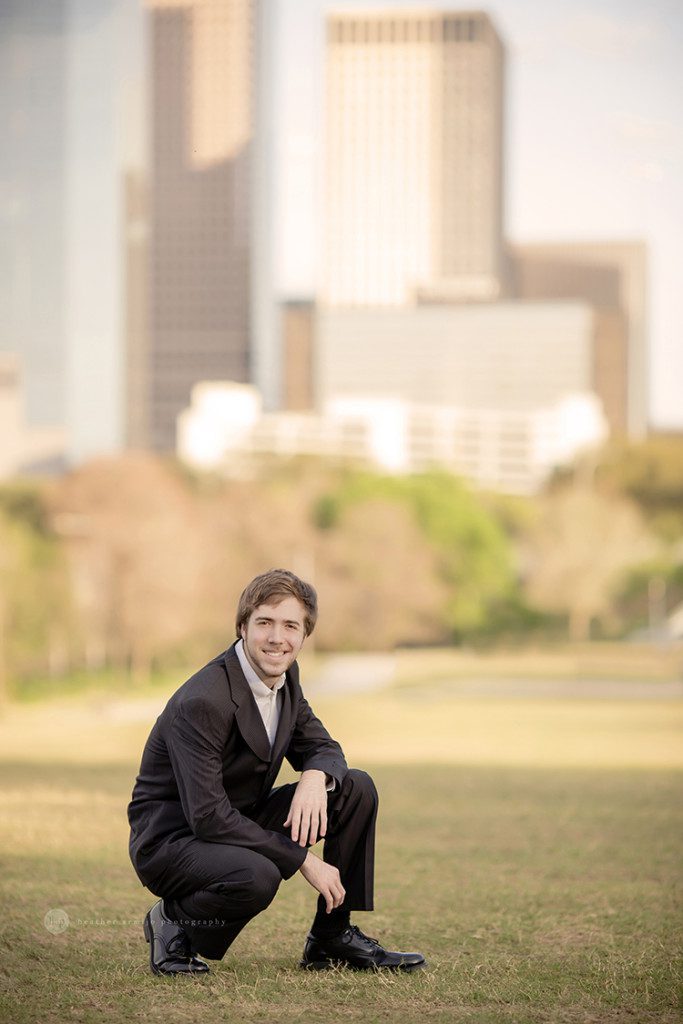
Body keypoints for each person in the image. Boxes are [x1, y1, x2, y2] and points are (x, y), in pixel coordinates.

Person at [127, 568, 425, 976]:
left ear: (304, 636)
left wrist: (314, 778)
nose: (276, 638)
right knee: (257, 875)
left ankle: (331, 937)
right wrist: (302, 858)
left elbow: (322, 747)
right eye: (264, 622)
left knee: (355, 787)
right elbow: (207, 815)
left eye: (290, 626)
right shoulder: (204, 700)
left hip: (237, 820)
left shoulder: (285, 676)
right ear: (242, 627)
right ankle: (174, 922)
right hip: (174, 839)